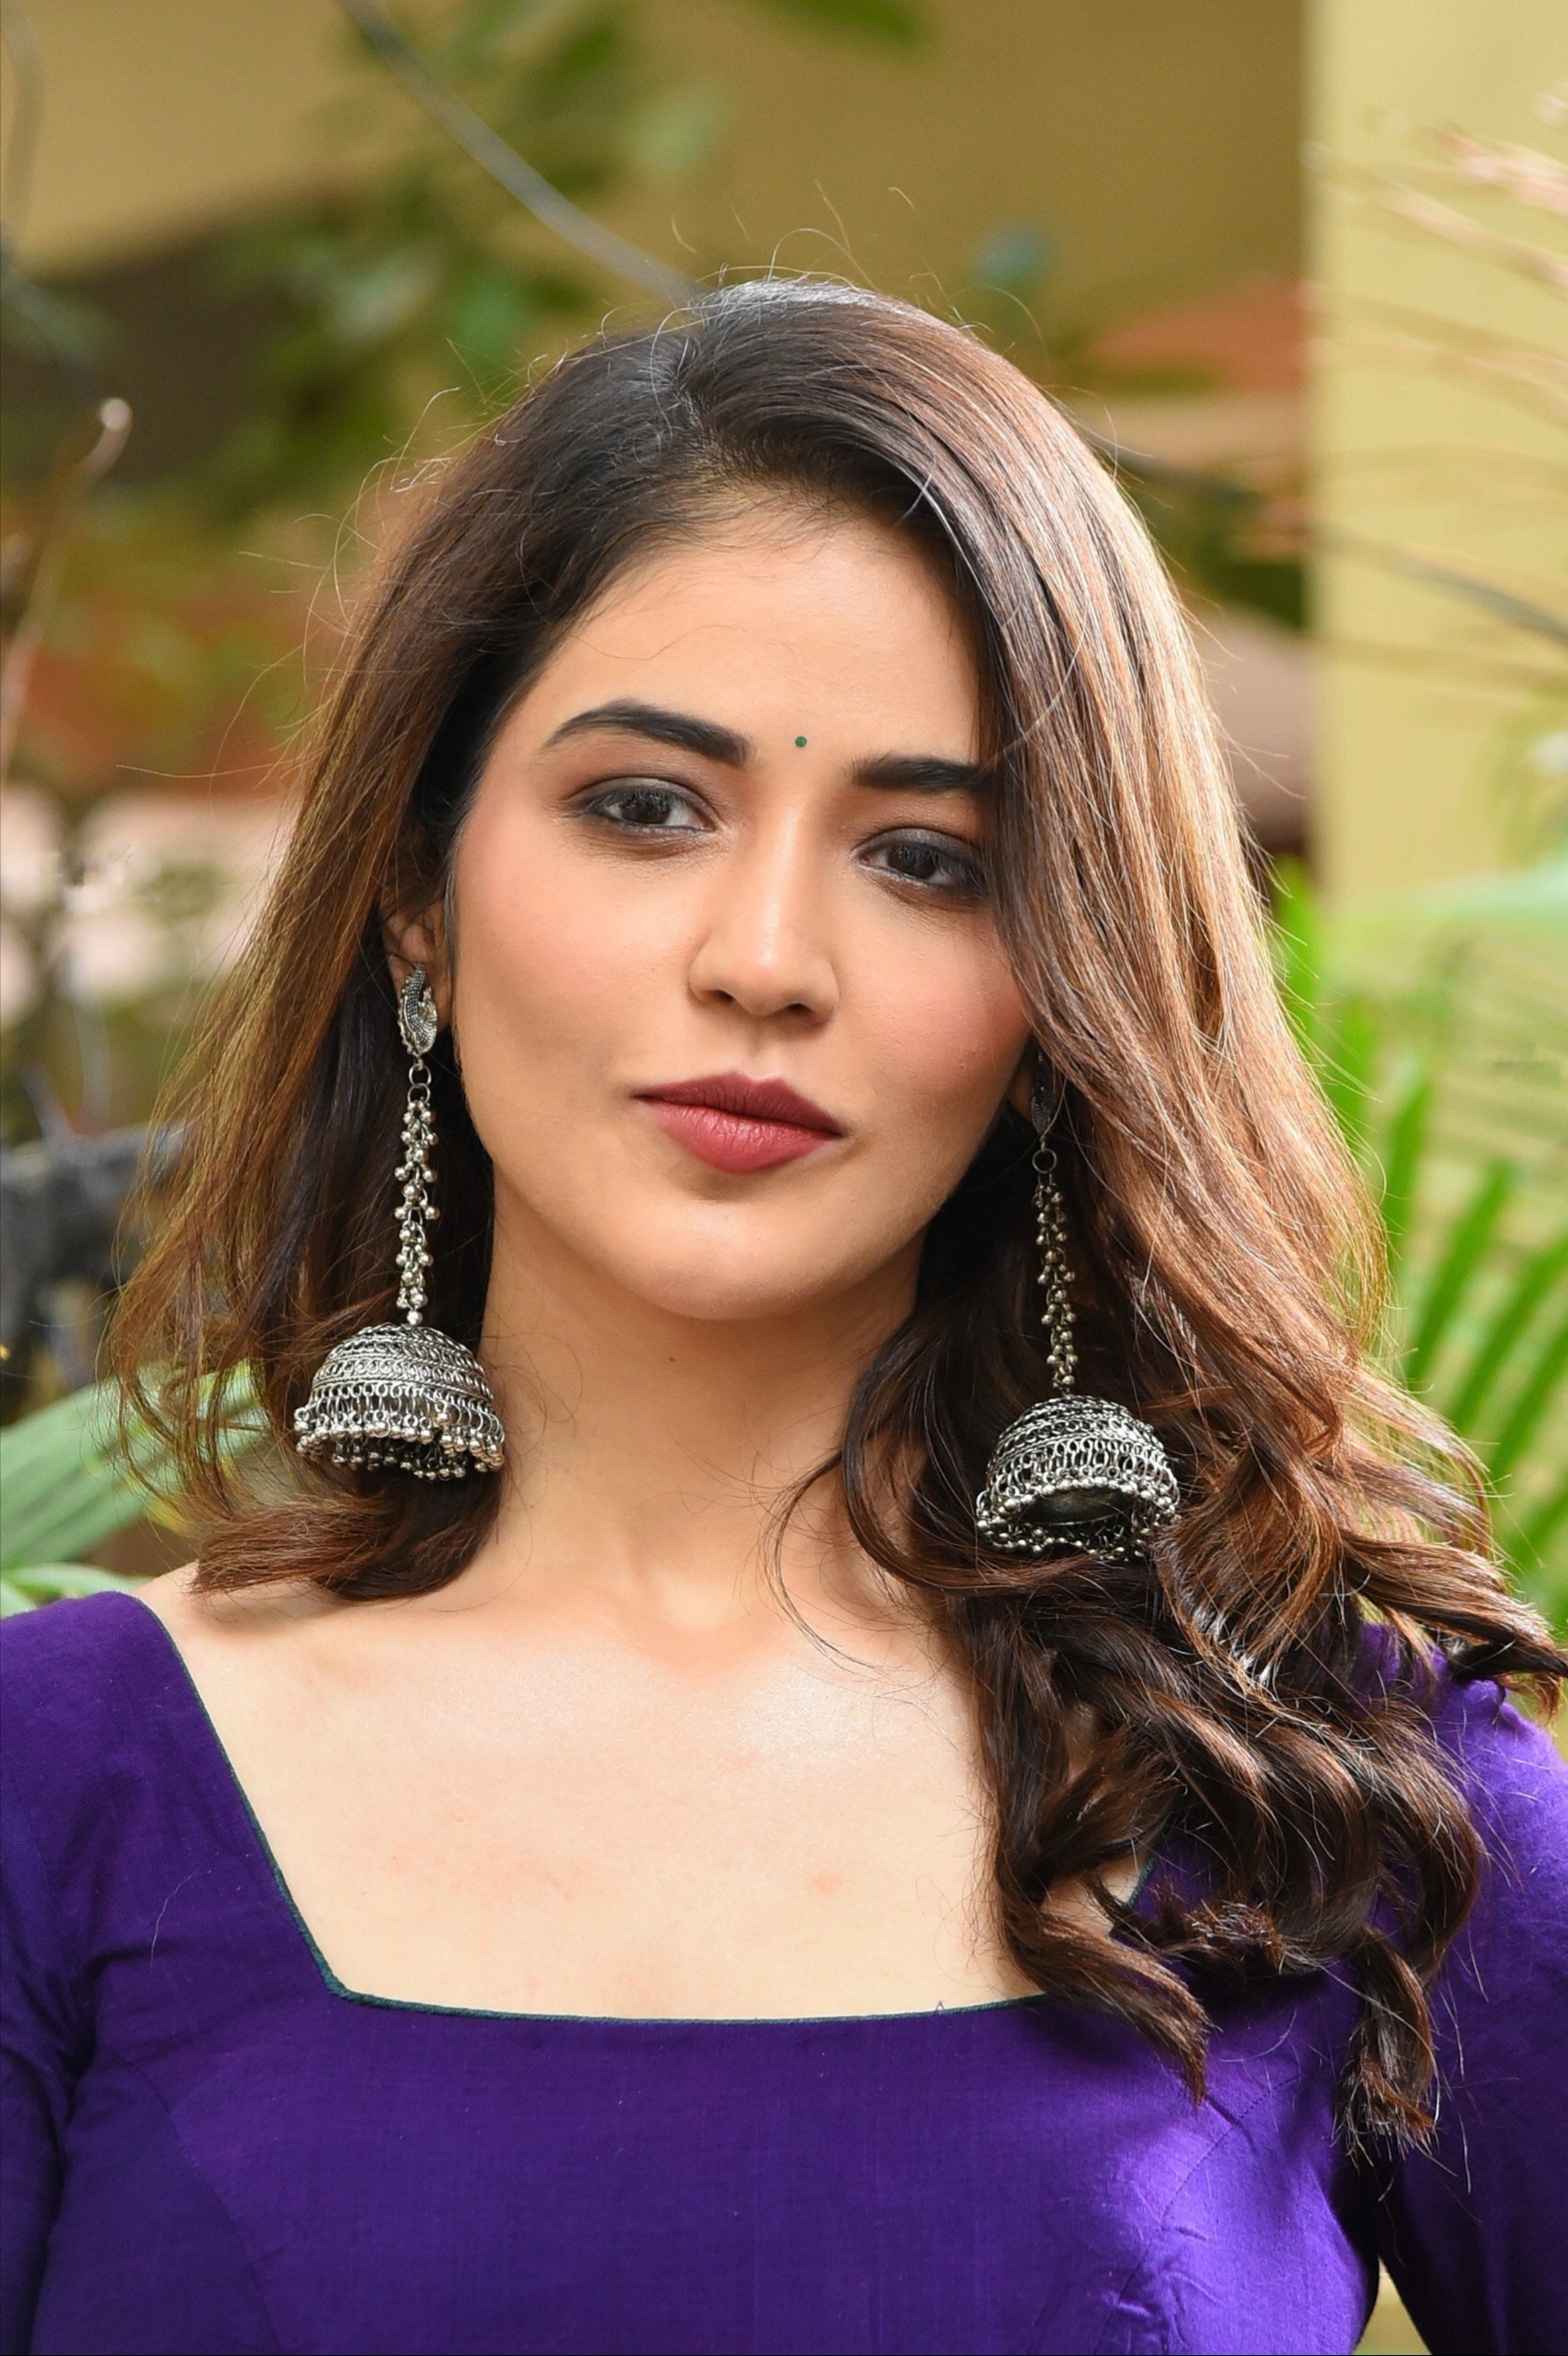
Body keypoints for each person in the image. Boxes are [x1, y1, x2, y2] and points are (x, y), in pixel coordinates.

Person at [3, 280, 1564, 2356]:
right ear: (413, 891)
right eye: (646, 806)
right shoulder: (58, 1776)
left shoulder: (1325, 1777)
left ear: (1061, 992)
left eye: (927, 856)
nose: (765, 956)